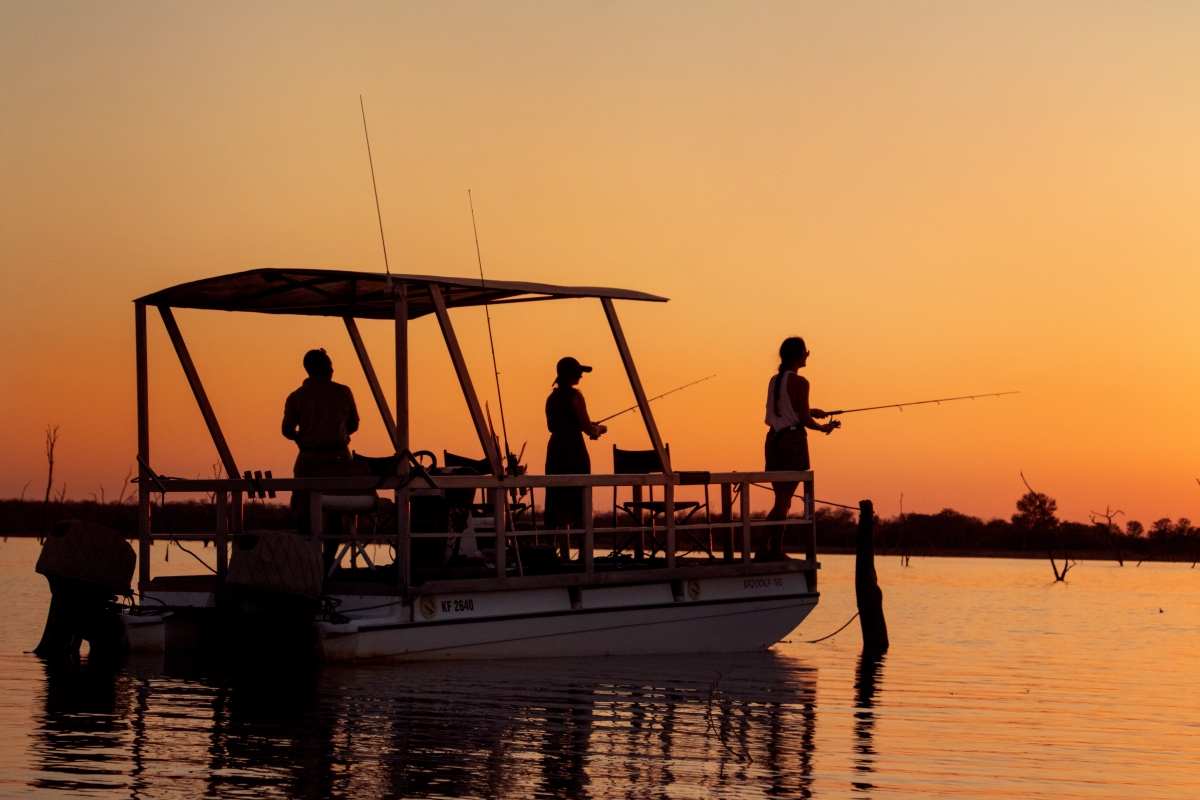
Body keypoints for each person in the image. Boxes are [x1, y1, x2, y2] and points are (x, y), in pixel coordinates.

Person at [282, 349, 364, 569]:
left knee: (304, 510)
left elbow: (287, 429)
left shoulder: (297, 396)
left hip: (308, 456)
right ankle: (329, 560)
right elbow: (354, 423)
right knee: (335, 507)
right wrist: (339, 433)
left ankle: (308, 561)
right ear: (327, 367)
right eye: (330, 362)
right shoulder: (343, 392)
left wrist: (301, 438)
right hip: (338, 456)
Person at [760, 337, 838, 561]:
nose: (807, 355)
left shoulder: (774, 380)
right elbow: (801, 418)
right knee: (783, 500)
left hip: (773, 442)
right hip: (792, 442)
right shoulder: (801, 382)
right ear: (798, 355)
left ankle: (765, 549)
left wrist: (812, 411)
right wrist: (823, 427)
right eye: (805, 351)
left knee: (781, 500)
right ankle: (772, 550)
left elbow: (785, 412)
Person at [544, 357, 606, 556]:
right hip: (574, 450)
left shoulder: (551, 398)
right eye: (578, 372)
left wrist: (585, 427)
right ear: (569, 374)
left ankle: (548, 551)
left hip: (555, 450)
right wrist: (599, 429)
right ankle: (584, 554)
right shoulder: (576, 396)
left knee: (554, 498)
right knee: (580, 499)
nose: (581, 375)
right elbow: (589, 429)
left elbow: (553, 426)